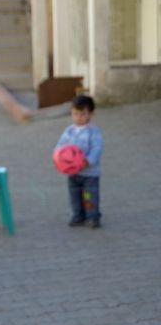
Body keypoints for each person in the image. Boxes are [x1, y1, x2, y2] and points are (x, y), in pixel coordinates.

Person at [55, 94, 103, 229]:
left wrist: (88, 161)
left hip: (89, 174)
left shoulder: (94, 131)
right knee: (74, 196)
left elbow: (97, 148)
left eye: (82, 114)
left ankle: (92, 217)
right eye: (75, 114)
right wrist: (59, 158)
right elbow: (61, 146)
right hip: (73, 173)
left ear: (91, 114)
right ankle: (78, 215)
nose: (78, 117)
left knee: (89, 196)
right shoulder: (69, 131)